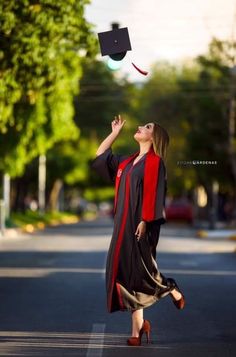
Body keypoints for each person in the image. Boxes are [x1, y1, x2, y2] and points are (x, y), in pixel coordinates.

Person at [91, 115, 185, 346]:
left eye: (148, 127)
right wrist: (114, 133)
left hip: (141, 225)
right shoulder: (126, 162)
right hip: (122, 225)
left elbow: (156, 194)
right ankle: (138, 329)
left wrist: (145, 220)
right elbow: (100, 156)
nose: (141, 127)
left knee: (141, 271)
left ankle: (170, 287)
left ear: (154, 137)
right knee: (124, 273)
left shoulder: (155, 162)